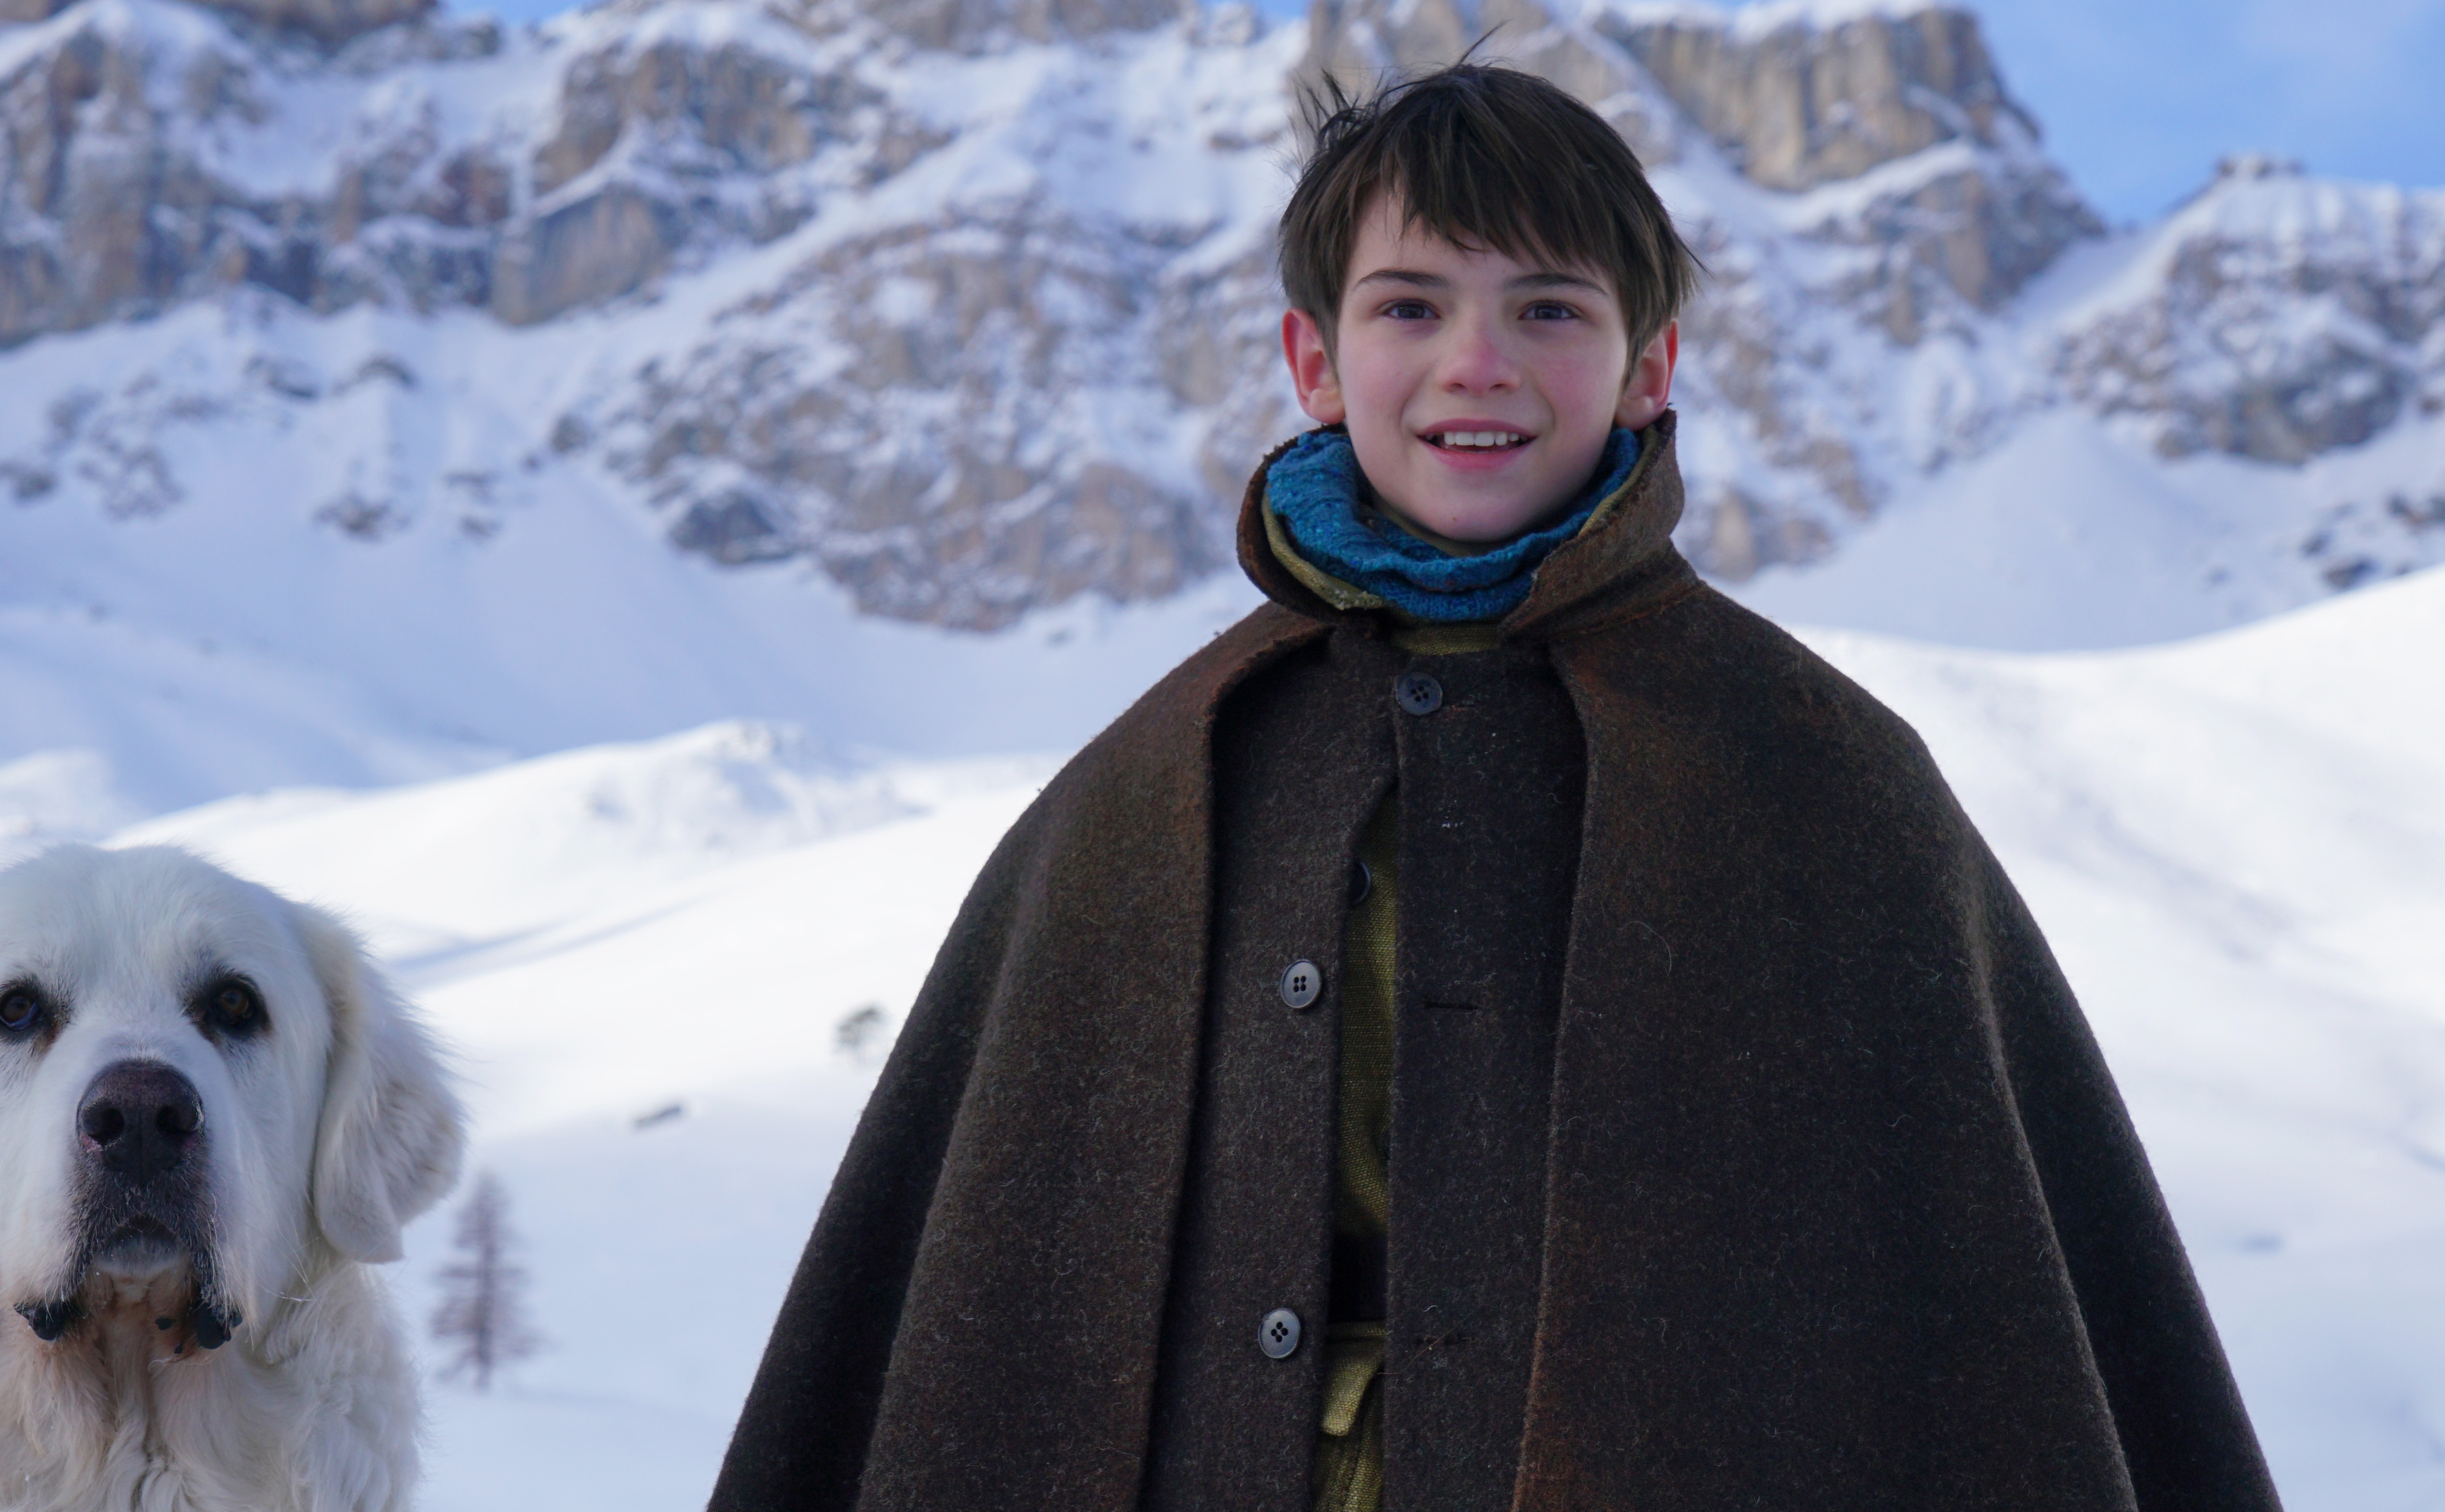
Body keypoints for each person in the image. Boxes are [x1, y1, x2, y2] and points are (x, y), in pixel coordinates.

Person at [706, 62, 2284, 1512]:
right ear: (1313, 361)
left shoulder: (1814, 772)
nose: (1478, 364)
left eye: (1548, 309)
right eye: (1410, 307)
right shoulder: (1157, 778)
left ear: (1648, 363)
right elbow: (984, 1299)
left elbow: (1994, 1308)